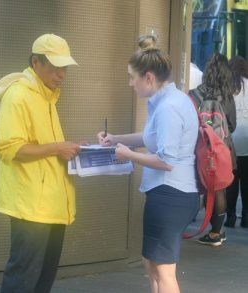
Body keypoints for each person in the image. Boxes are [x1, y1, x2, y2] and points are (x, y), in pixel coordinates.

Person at [98, 47, 199, 293]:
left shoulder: (168, 108)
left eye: (133, 77)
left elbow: (166, 160)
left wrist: (128, 155)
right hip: (171, 194)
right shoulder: (169, 101)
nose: (130, 83)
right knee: (153, 265)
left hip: (170, 195)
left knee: (162, 270)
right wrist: (116, 139)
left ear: (149, 77)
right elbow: (152, 137)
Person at [0, 34, 80, 293]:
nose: (61, 74)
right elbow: (10, 148)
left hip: (51, 203)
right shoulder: (19, 95)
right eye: (55, 66)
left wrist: (72, 151)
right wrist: (58, 147)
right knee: (23, 277)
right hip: (30, 205)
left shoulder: (47, 96)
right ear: (35, 62)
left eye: (64, 67)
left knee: (43, 276)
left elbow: (44, 147)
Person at [189, 53, 236, 246]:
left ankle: (184, 224)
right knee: (219, 190)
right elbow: (232, 125)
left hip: (198, 148)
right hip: (222, 150)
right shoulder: (227, 97)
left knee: (193, 185)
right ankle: (216, 232)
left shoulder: (194, 94)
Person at [225, 56, 248, 228]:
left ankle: (231, 217)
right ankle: (246, 218)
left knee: (231, 181)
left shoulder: (227, 88)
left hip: (231, 138)